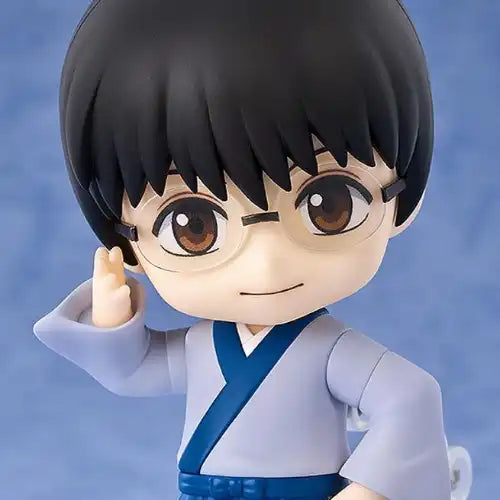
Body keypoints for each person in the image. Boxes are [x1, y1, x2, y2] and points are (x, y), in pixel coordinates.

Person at [34, 0, 452, 498]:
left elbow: (411, 399)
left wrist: (370, 488)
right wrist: (112, 323)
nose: (266, 263)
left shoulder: (331, 351)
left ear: (404, 198)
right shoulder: (204, 348)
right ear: (127, 243)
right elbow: (135, 369)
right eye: (194, 228)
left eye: (329, 206)